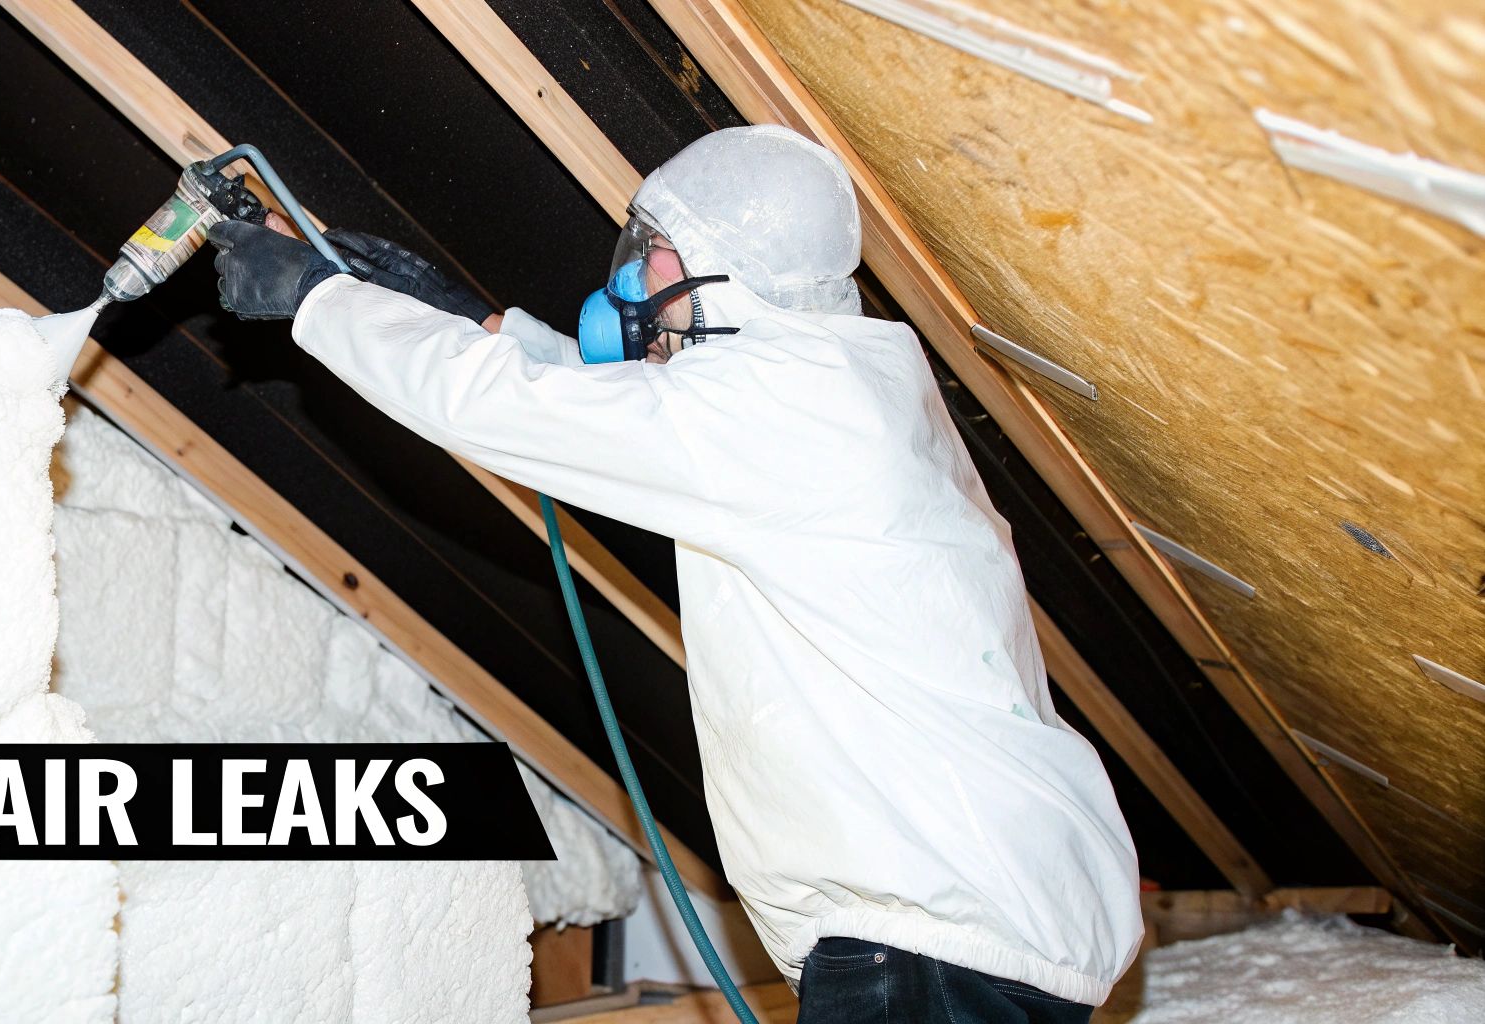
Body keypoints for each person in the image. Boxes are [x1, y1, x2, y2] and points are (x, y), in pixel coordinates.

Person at [208, 125, 1141, 1022]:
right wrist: (461, 314)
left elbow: (506, 408)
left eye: (653, 251)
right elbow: (619, 409)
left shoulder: (781, 411)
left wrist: (319, 302)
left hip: (933, 927)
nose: (632, 277)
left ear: (719, 267)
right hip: (989, 909)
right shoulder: (841, 384)